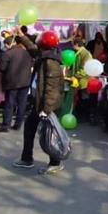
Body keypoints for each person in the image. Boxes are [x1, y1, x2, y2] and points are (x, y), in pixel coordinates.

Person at [13, 30, 66, 174]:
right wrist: (21, 36)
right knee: (31, 128)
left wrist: (46, 109)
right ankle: (27, 158)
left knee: (50, 133)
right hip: (39, 102)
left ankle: (55, 162)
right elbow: (32, 49)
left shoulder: (51, 62)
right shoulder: (45, 56)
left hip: (45, 105)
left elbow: (52, 89)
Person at [0, 35, 33, 131]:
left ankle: (6, 125)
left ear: (8, 44)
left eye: (5, 45)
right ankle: (18, 124)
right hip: (25, 82)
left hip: (12, 82)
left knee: (9, 104)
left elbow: (2, 68)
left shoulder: (7, 54)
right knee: (22, 104)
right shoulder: (26, 53)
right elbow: (31, 64)